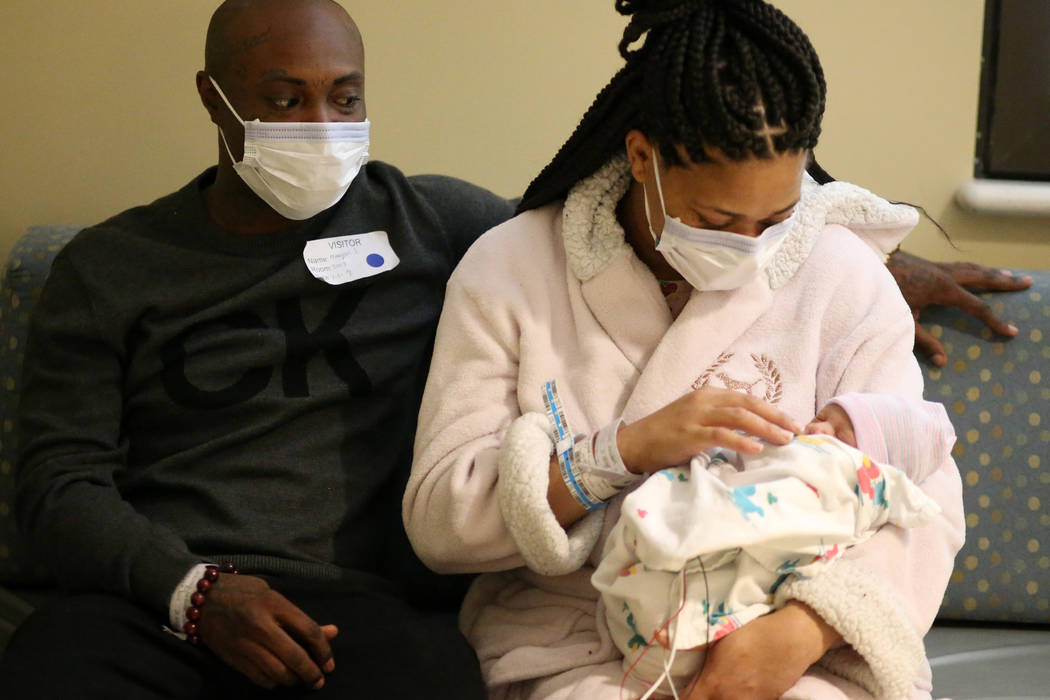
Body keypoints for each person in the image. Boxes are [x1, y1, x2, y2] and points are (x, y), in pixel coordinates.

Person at [404, 1, 965, 699]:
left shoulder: (842, 277)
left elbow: (922, 494)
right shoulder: (510, 269)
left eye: (777, 219)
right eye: (718, 221)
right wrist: (622, 451)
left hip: (783, 639)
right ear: (643, 156)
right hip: (577, 646)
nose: (753, 244)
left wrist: (794, 636)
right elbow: (440, 520)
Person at [0, 1, 514, 698]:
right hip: (159, 604)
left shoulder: (435, 224)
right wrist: (197, 593)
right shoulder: (108, 268)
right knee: (48, 667)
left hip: (357, 615)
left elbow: (588, 245)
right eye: (284, 100)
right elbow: (57, 484)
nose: (322, 126)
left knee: (442, 679)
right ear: (214, 100)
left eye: (345, 98)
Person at [594, 393, 956, 697]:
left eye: (838, 435)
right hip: (610, 622)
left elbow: (921, 514)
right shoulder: (783, 447)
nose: (816, 431)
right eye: (819, 418)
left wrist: (797, 632)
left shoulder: (867, 478)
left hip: (786, 637)